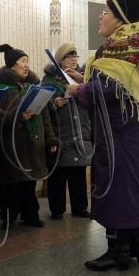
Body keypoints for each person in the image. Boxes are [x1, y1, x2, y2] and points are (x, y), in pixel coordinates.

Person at [65, 0, 139, 270]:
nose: (101, 15)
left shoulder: (126, 44)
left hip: (120, 135)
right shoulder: (134, 42)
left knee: (118, 188)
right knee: (134, 187)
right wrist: (82, 76)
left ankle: (118, 250)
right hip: (131, 133)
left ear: (120, 18)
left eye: (106, 11)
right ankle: (136, 244)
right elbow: (118, 80)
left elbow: (114, 87)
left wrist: (79, 89)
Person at [0, 44, 60, 227]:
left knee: (29, 183)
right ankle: (9, 217)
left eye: (28, 61)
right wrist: (17, 116)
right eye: (22, 61)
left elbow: (44, 116)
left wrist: (50, 138)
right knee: (12, 184)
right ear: (12, 66)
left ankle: (30, 214)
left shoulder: (33, 87)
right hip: (12, 143)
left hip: (33, 143)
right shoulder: (0, 88)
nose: (27, 65)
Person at [42, 41, 92, 219]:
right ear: (60, 60)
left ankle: (79, 207)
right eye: (69, 56)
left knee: (78, 172)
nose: (73, 59)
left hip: (79, 132)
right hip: (60, 132)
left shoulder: (82, 77)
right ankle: (57, 209)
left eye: (75, 55)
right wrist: (54, 103)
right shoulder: (49, 81)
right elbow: (41, 103)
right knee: (58, 174)